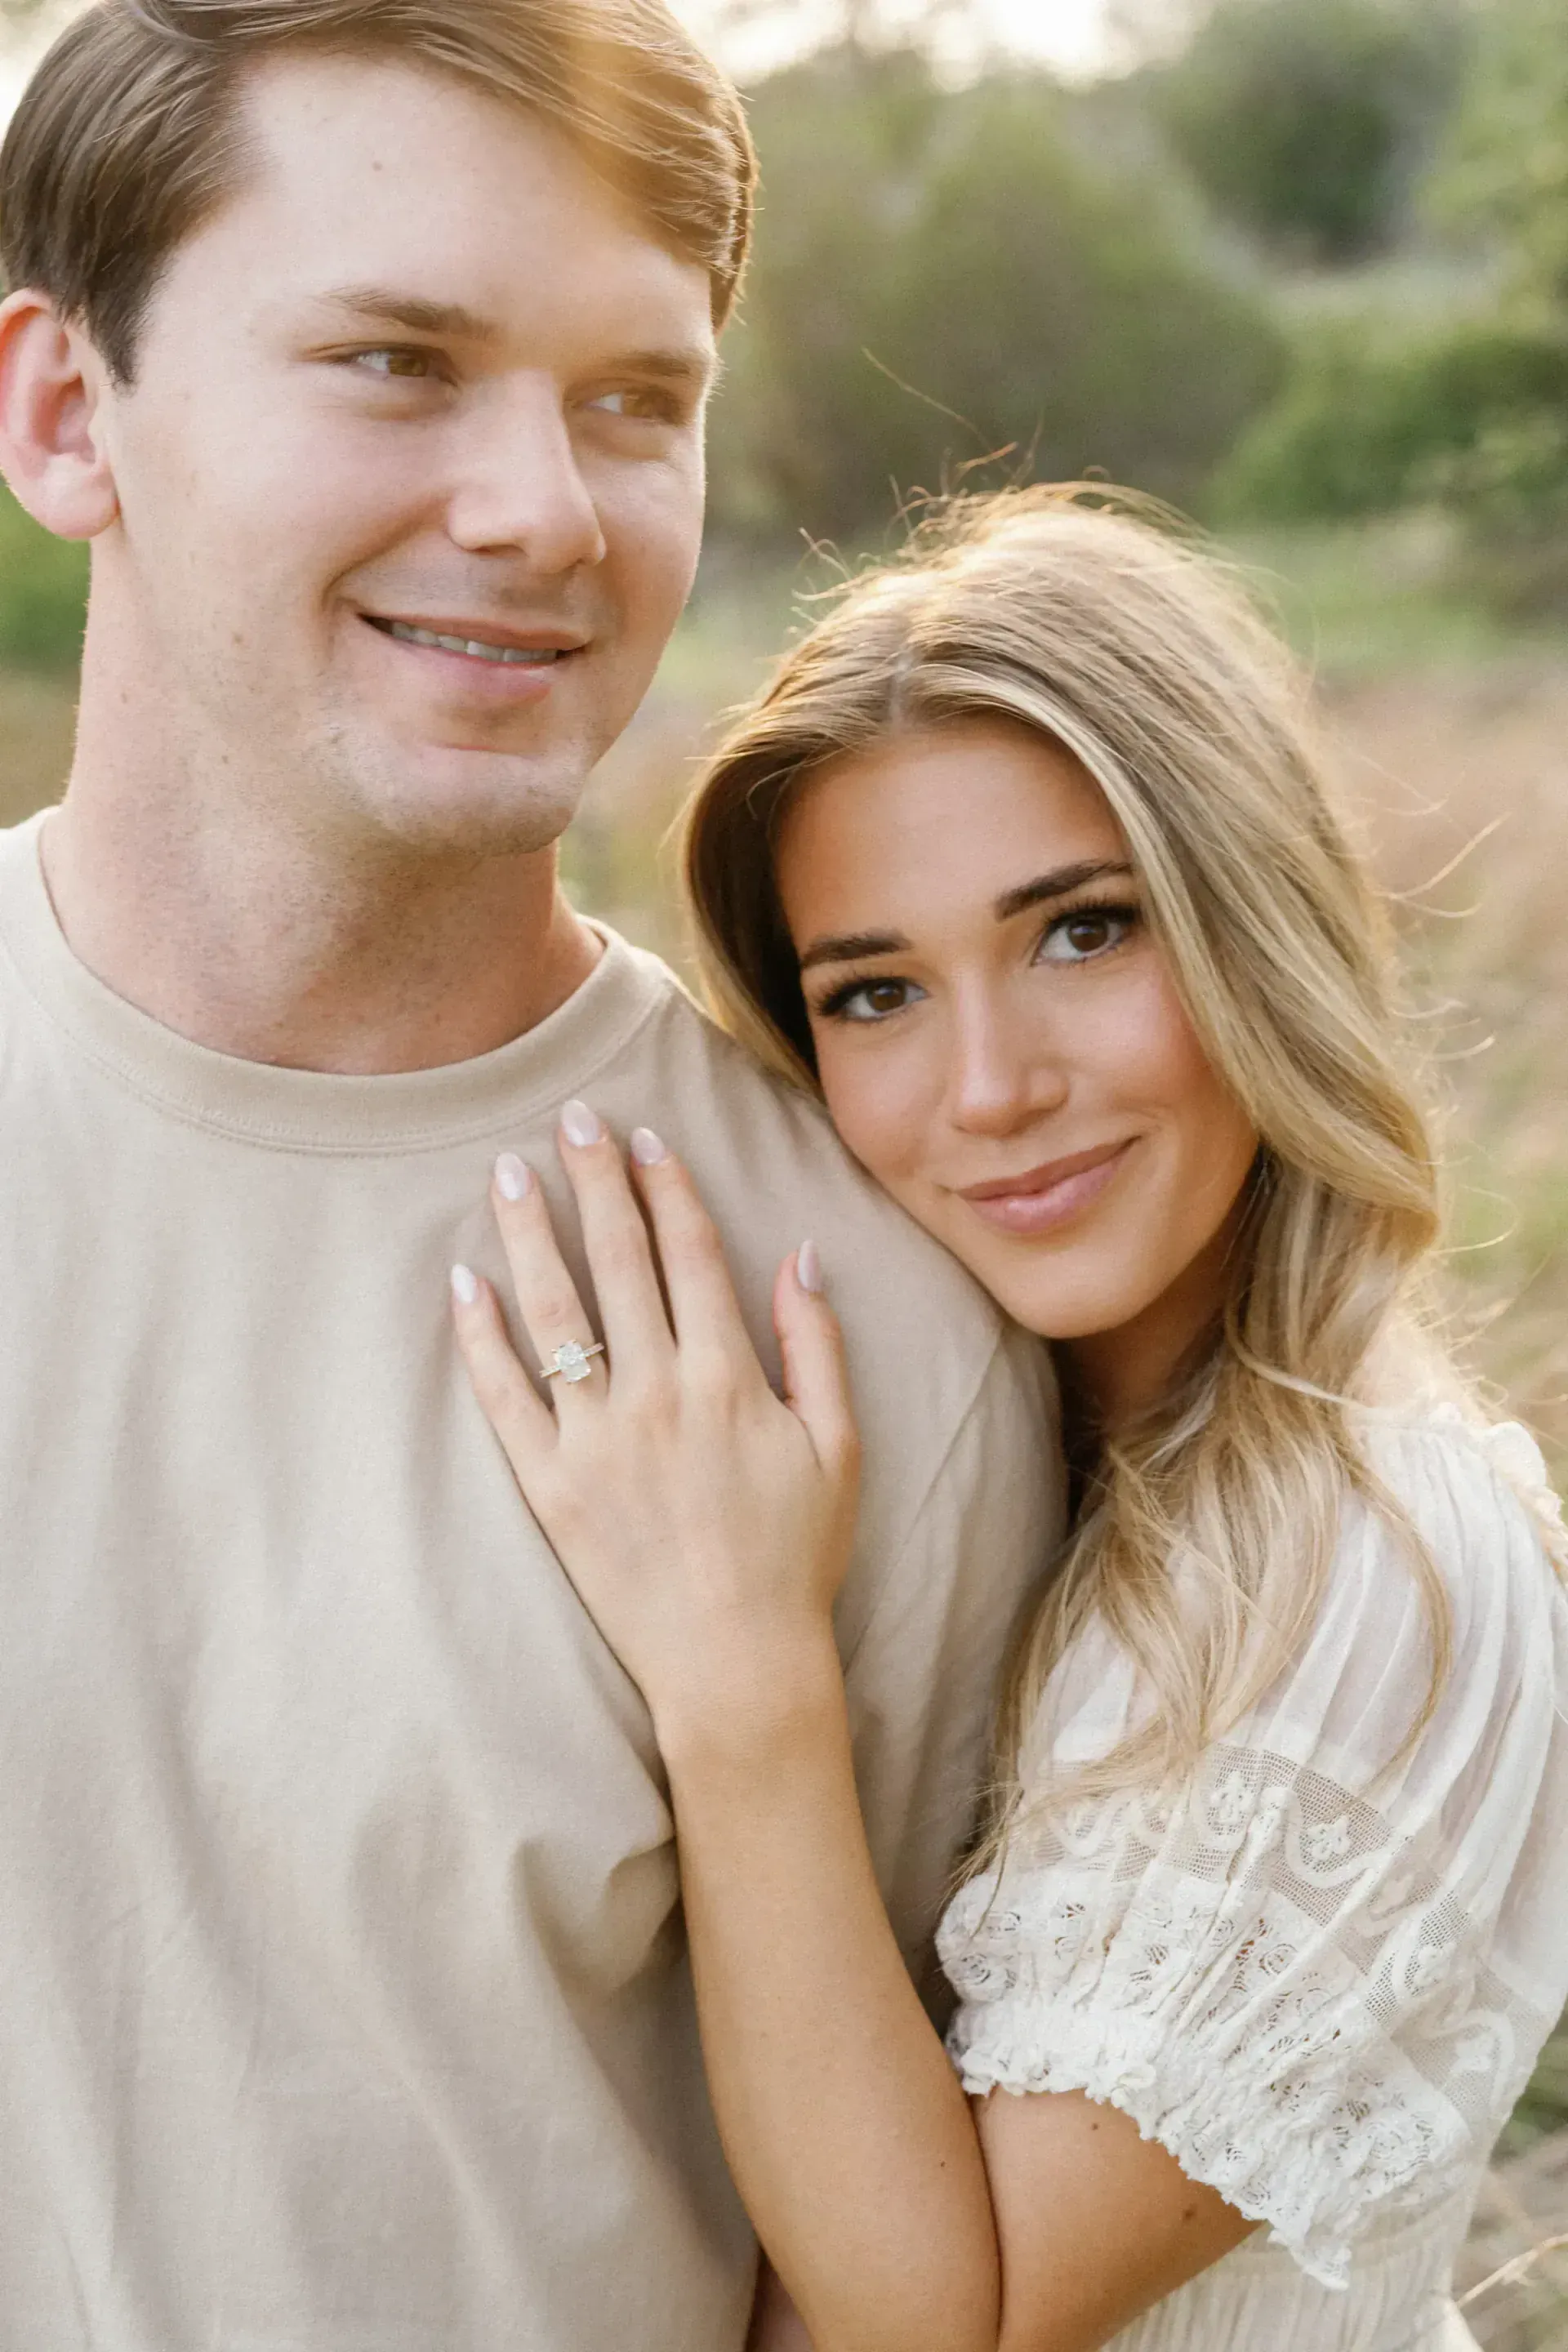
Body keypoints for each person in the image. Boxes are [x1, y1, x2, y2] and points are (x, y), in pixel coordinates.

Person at [0, 4, 1057, 2343]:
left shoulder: (865, 1327)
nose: (543, 511)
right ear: (68, 413)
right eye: (395, 359)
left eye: (634, 401)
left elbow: (874, 2277)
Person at [453, 488, 1568, 2352]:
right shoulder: (993, 1468)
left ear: (1254, 917)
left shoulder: (1382, 1569)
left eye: (1083, 933)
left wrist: (743, 1681)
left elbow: (943, 2327)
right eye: (875, 992)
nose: (987, 1089)